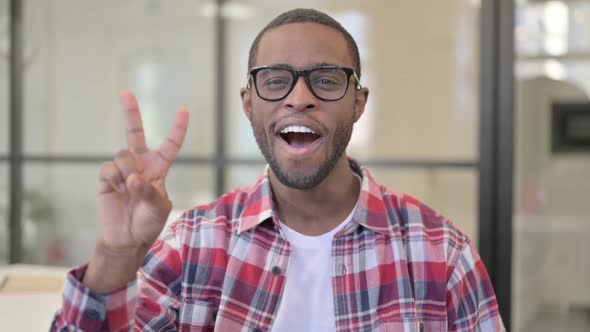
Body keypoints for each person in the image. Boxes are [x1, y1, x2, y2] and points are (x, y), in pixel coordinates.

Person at [51, 8, 505, 332]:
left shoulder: (440, 254)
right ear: (249, 104)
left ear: (358, 103)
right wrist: (116, 255)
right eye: (274, 80)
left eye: (326, 80)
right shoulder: (192, 246)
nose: (299, 97)